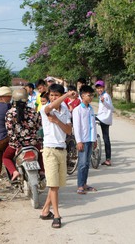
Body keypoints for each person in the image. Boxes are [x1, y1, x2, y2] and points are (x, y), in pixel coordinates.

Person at [39, 83, 75, 229]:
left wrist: (57, 121)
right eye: (51, 95)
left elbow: (68, 130)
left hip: (62, 149)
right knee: (53, 185)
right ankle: (57, 215)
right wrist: (67, 95)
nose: (53, 98)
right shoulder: (45, 109)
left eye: (56, 95)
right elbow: (49, 108)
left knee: (56, 185)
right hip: (49, 150)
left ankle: (45, 211)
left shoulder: (65, 109)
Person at [3, 88, 43, 181]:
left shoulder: (10, 113)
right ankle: (42, 171)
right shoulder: (33, 111)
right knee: (40, 155)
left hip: (17, 145)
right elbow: (38, 127)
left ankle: (14, 171)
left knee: (5, 157)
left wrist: (16, 144)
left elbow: (10, 131)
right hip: (33, 143)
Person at [72, 85, 97, 194]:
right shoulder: (77, 110)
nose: (91, 97)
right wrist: (79, 141)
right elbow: (76, 127)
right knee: (82, 163)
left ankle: (84, 183)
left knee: (87, 163)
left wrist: (95, 139)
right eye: (89, 95)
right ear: (82, 96)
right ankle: (80, 186)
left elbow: (93, 125)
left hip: (90, 139)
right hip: (83, 140)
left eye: (92, 95)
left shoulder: (90, 109)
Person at [95, 80, 114, 166]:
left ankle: (108, 159)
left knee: (106, 138)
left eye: (101, 88)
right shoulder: (102, 95)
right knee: (106, 138)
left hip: (104, 119)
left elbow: (111, 107)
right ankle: (108, 159)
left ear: (104, 87)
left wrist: (104, 102)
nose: (99, 89)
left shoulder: (105, 96)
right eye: (98, 88)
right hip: (103, 118)